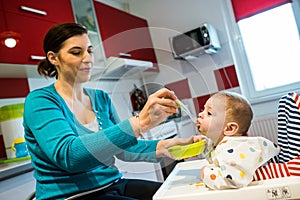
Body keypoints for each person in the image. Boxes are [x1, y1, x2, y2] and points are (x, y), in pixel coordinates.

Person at [23, 23, 195, 200]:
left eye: (89, 51)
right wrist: (139, 123)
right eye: (76, 52)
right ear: (53, 58)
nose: (88, 58)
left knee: (177, 195)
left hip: (113, 184)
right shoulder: (40, 101)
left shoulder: (101, 98)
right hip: (71, 196)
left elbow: (124, 149)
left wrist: (164, 147)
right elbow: (70, 156)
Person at [194, 91, 280, 189]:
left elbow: (233, 181)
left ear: (230, 129)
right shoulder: (221, 142)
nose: (200, 114)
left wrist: (206, 173)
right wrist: (204, 144)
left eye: (209, 113)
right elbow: (215, 153)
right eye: (203, 109)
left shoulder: (232, 148)